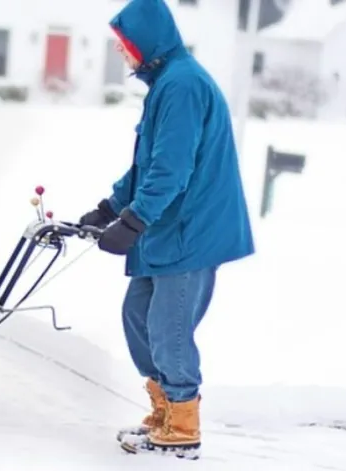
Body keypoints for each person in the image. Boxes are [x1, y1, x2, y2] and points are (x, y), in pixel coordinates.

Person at [77, 0, 254, 459]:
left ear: (147, 43)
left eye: (124, 44)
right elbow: (148, 163)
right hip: (171, 225)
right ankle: (164, 409)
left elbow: (171, 169)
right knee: (138, 315)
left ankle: (182, 427)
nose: (121, 53)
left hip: (191, 230)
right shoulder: (167, 84)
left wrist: (133, 221)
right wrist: (109, 207)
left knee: (168, 327)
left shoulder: (182, 86)